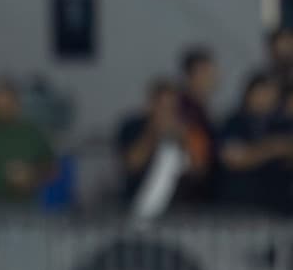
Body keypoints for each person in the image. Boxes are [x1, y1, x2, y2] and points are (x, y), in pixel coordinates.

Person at [116, 80, 209, 220]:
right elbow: (132, 163)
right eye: (162, 106)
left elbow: (199, 171)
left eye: (172, 107)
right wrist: (153, 133)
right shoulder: (133, 127)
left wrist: (184, 140)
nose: (167, 113)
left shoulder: (188, 131)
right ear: (151, 105)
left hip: (178, 214)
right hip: (137, 209)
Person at [0, 81, 57, 205]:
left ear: (15, 105)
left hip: (24, 205)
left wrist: (31, 175)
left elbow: (51, 168)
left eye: (6, 106)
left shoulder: (31, 132)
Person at [217, 74, 291, 213]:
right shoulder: (234, 123)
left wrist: (254, 153)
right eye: (262, 92)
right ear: (249, 93)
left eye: (271, 93)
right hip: (240, 203)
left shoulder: (282, 123)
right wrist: (274, 147)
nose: (266, 98)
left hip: (278, 205)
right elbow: (233, 158)